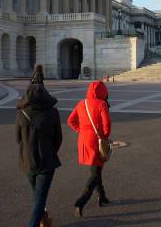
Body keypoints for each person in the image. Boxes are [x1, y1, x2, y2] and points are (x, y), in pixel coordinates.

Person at [16, 83, 62, 227]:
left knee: (37, 196)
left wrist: (27, 149)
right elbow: (58, 138)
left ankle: (44, 221)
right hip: (47, 160)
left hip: (27, 160)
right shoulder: (53, 112)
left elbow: (18, 139)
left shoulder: (21, 113)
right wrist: (49, 149)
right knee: (40, 197)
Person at [68, 81, 112, 219]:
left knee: (96, 169)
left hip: (83, 139)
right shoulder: (102, 104)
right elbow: (107, 124)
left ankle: (102, 195)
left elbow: (71, 120)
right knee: (95, 172)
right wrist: (104, 136)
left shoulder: (81, 103)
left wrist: (80, 130)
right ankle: (81, 201)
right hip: (96, 140)